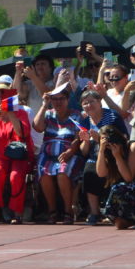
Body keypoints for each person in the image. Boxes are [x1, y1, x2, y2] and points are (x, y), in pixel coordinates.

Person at [0, 77, 33, 224]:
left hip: (18, 155)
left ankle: (17, 212)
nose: (1, 98)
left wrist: (11, 115)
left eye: (5, 95)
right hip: (0, 155)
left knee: (16, 176)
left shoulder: (21, 114)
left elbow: (22, 134)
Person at [33, 82, 85, 224]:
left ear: (67, 100)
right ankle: (52, 211)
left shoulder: (76, 115)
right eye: (54, 99)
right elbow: (37, 127)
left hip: (69, 152)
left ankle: (68, 211)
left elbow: (78, 138)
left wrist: (69, 152)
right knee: (43, 171)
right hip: (48, 153)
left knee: (62, 172)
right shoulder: (49, 114)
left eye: (61, 98)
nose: (58, 102)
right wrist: (44, 105)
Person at [78, 88, 128, 225]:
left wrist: (100, 138)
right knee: (89, 170)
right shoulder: (84, 121)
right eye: (85, 103)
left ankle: (113, 210)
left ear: (100, 102)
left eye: (91, 102)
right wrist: (86, 141)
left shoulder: (112, 116)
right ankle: (94, 212)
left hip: (113, 153)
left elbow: (123, 138)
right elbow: (83, 151)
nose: (89, 105)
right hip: (94, 156)